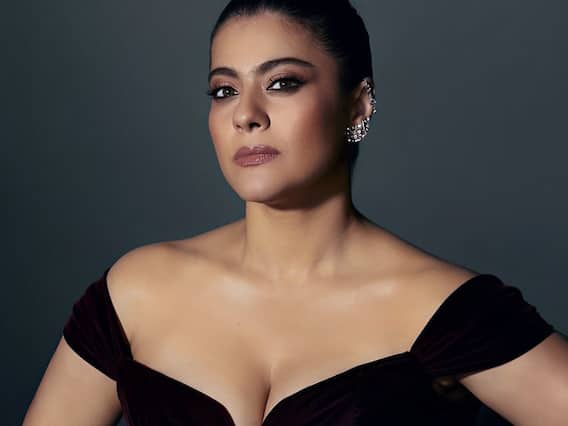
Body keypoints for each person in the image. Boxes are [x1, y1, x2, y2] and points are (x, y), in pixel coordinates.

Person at [24, 1, 568, 425]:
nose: (246, 114)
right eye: (224, 90)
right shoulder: (135, 292)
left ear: (358, 104)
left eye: (282, 83)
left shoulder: (440, 308)